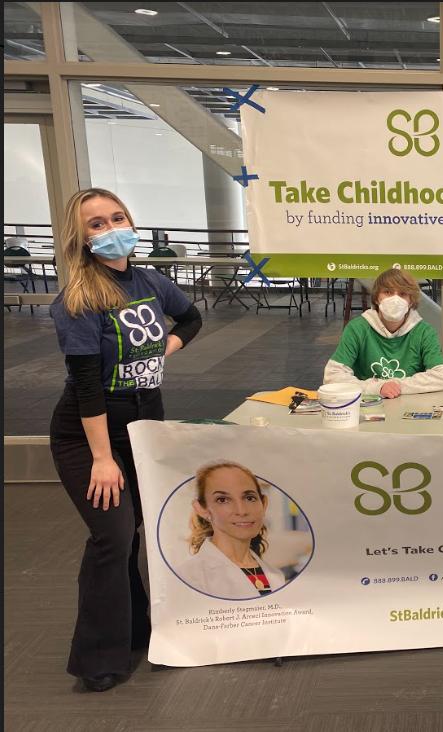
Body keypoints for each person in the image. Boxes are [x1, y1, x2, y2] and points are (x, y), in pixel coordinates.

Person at [49, 188, 202, 692]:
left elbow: (192, 318)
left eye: (117, 217)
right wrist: (102, 457)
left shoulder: (151, 281)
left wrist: (165, 350)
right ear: (81, 237)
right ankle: (98, 659)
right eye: (96, 223)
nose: (111, 228)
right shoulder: (78, 299)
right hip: (89, 429)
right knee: (112, 536)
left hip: (145, 420)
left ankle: (136, 629)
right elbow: (87, 384)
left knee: (136, 529)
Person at [324, 268, 443, 398]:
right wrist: (378, 388)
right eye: (388, 292)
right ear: (377, 298)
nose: (395, 299)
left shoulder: (424, 332)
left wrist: (396, 386)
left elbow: (442, 378)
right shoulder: (357, 329)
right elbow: (332, 376)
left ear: (411, 301)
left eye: (402, 294)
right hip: (368, 407)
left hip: (409, 406)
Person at [176, 461, 286, 600]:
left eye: (249, 498)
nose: (241, 511)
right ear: (202, 509)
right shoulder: (188, 577)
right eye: (222, 500)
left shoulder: (276, 576)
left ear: (263, 504)